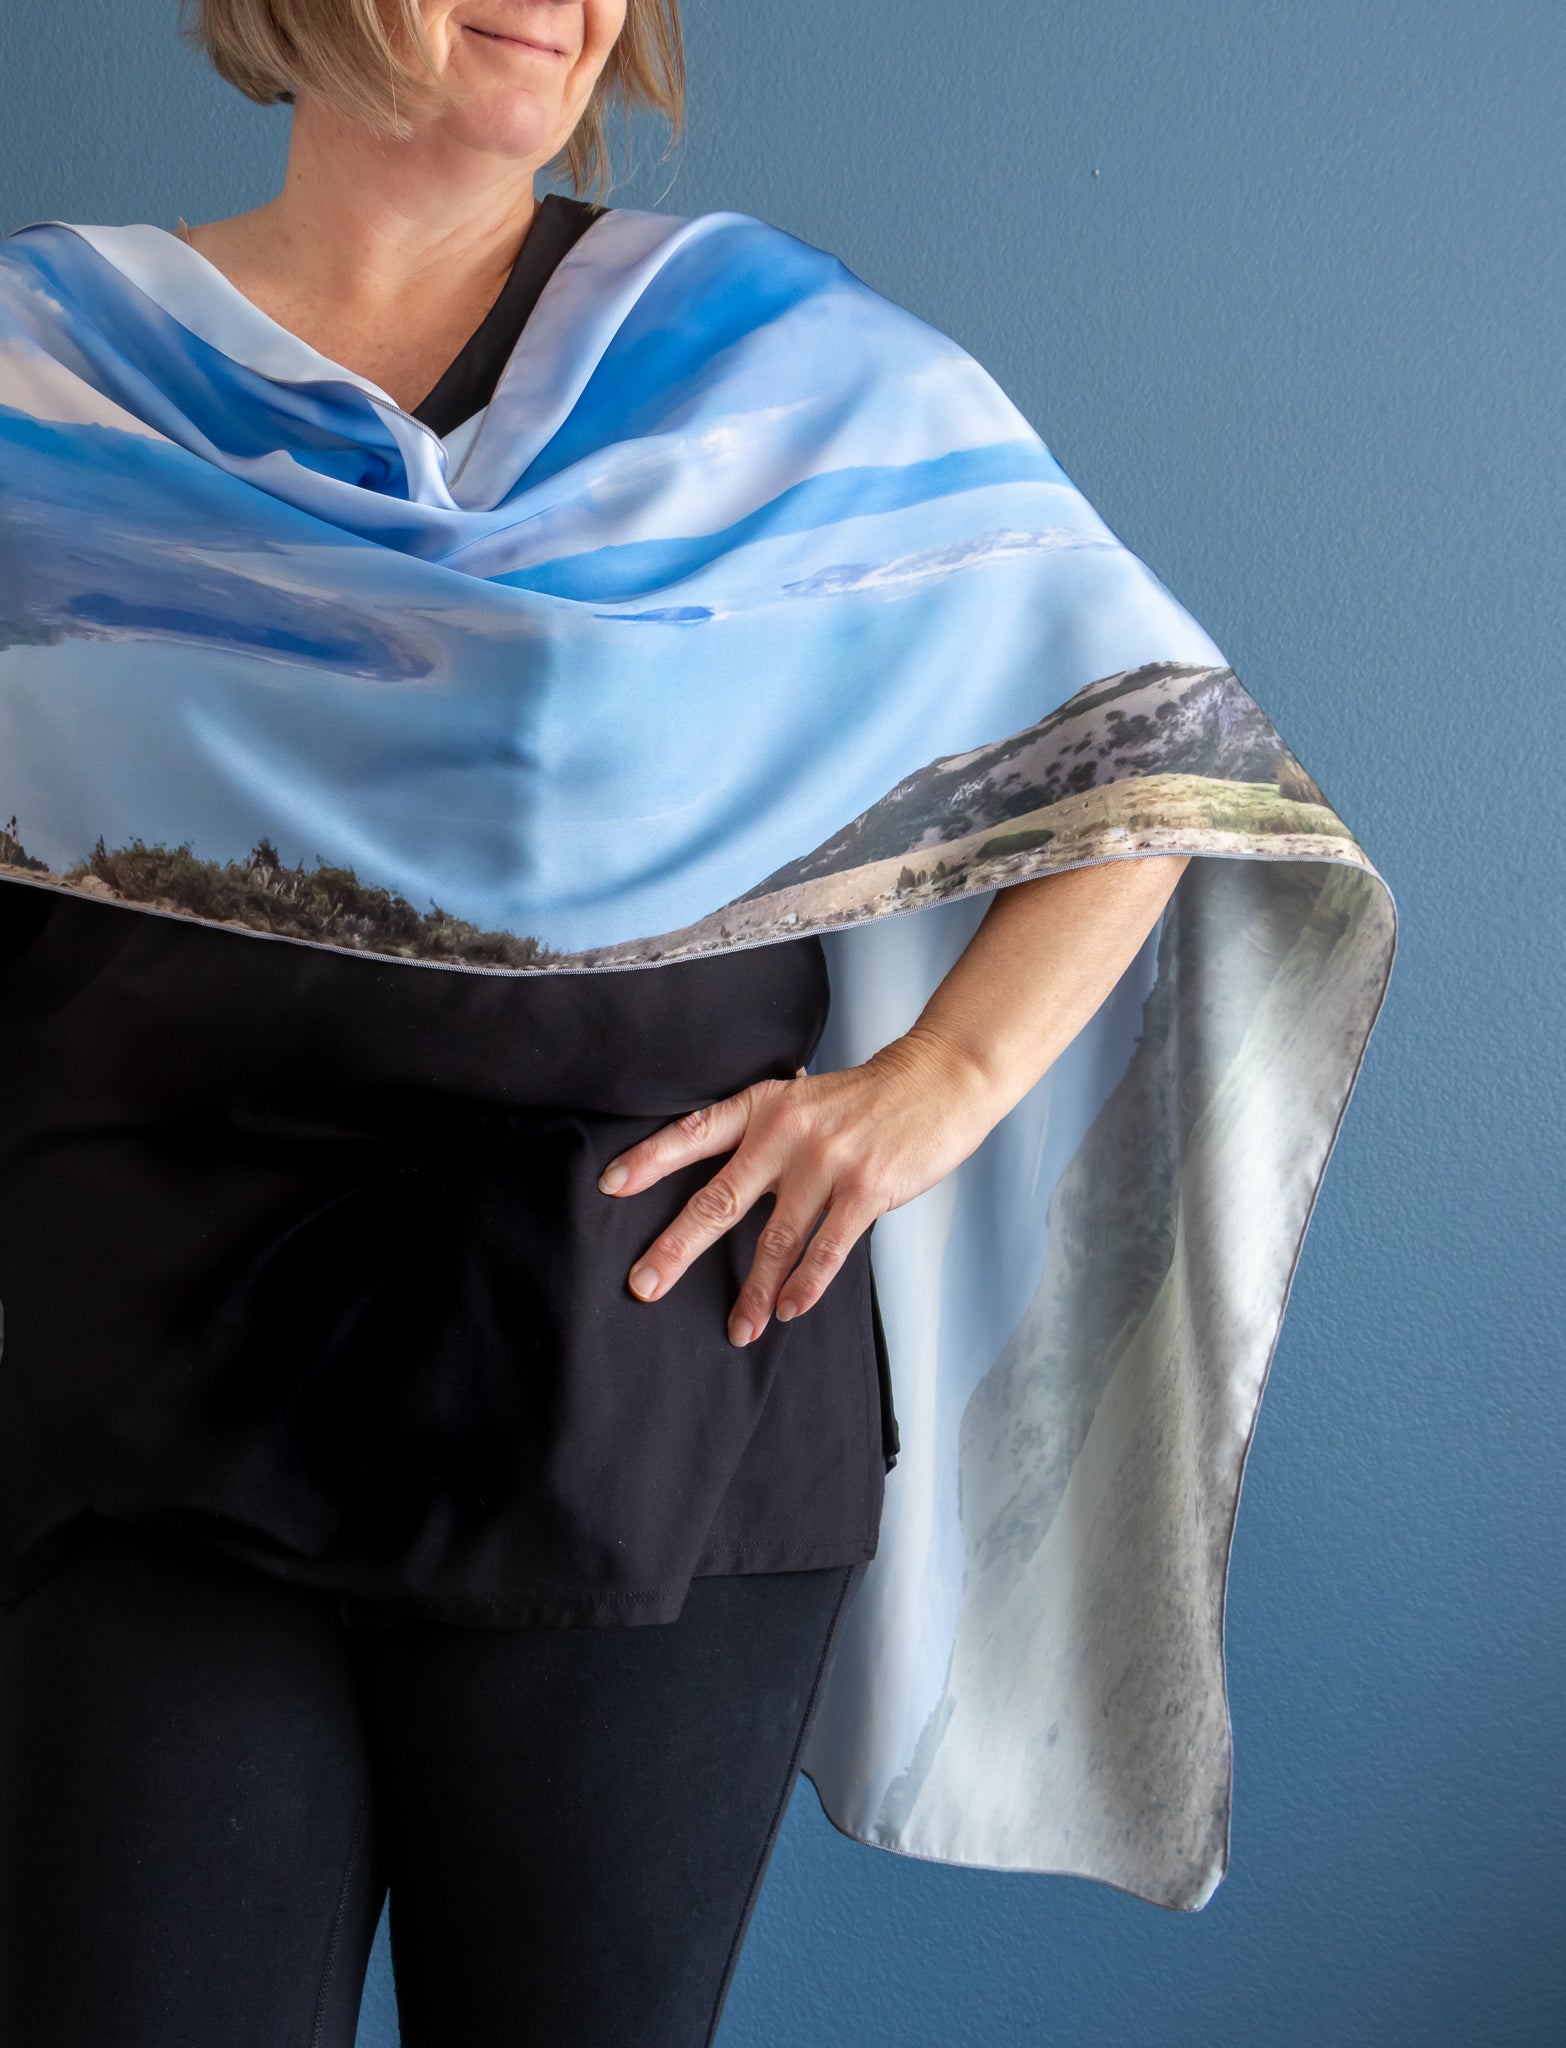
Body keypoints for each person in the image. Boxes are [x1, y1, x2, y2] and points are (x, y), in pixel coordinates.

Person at [0, 4, 1232, 2043]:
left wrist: (938, 1086)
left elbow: (1155, 752)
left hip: (642, 1373)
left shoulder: (769, 374)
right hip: (145, 1384)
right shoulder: (50, 377)